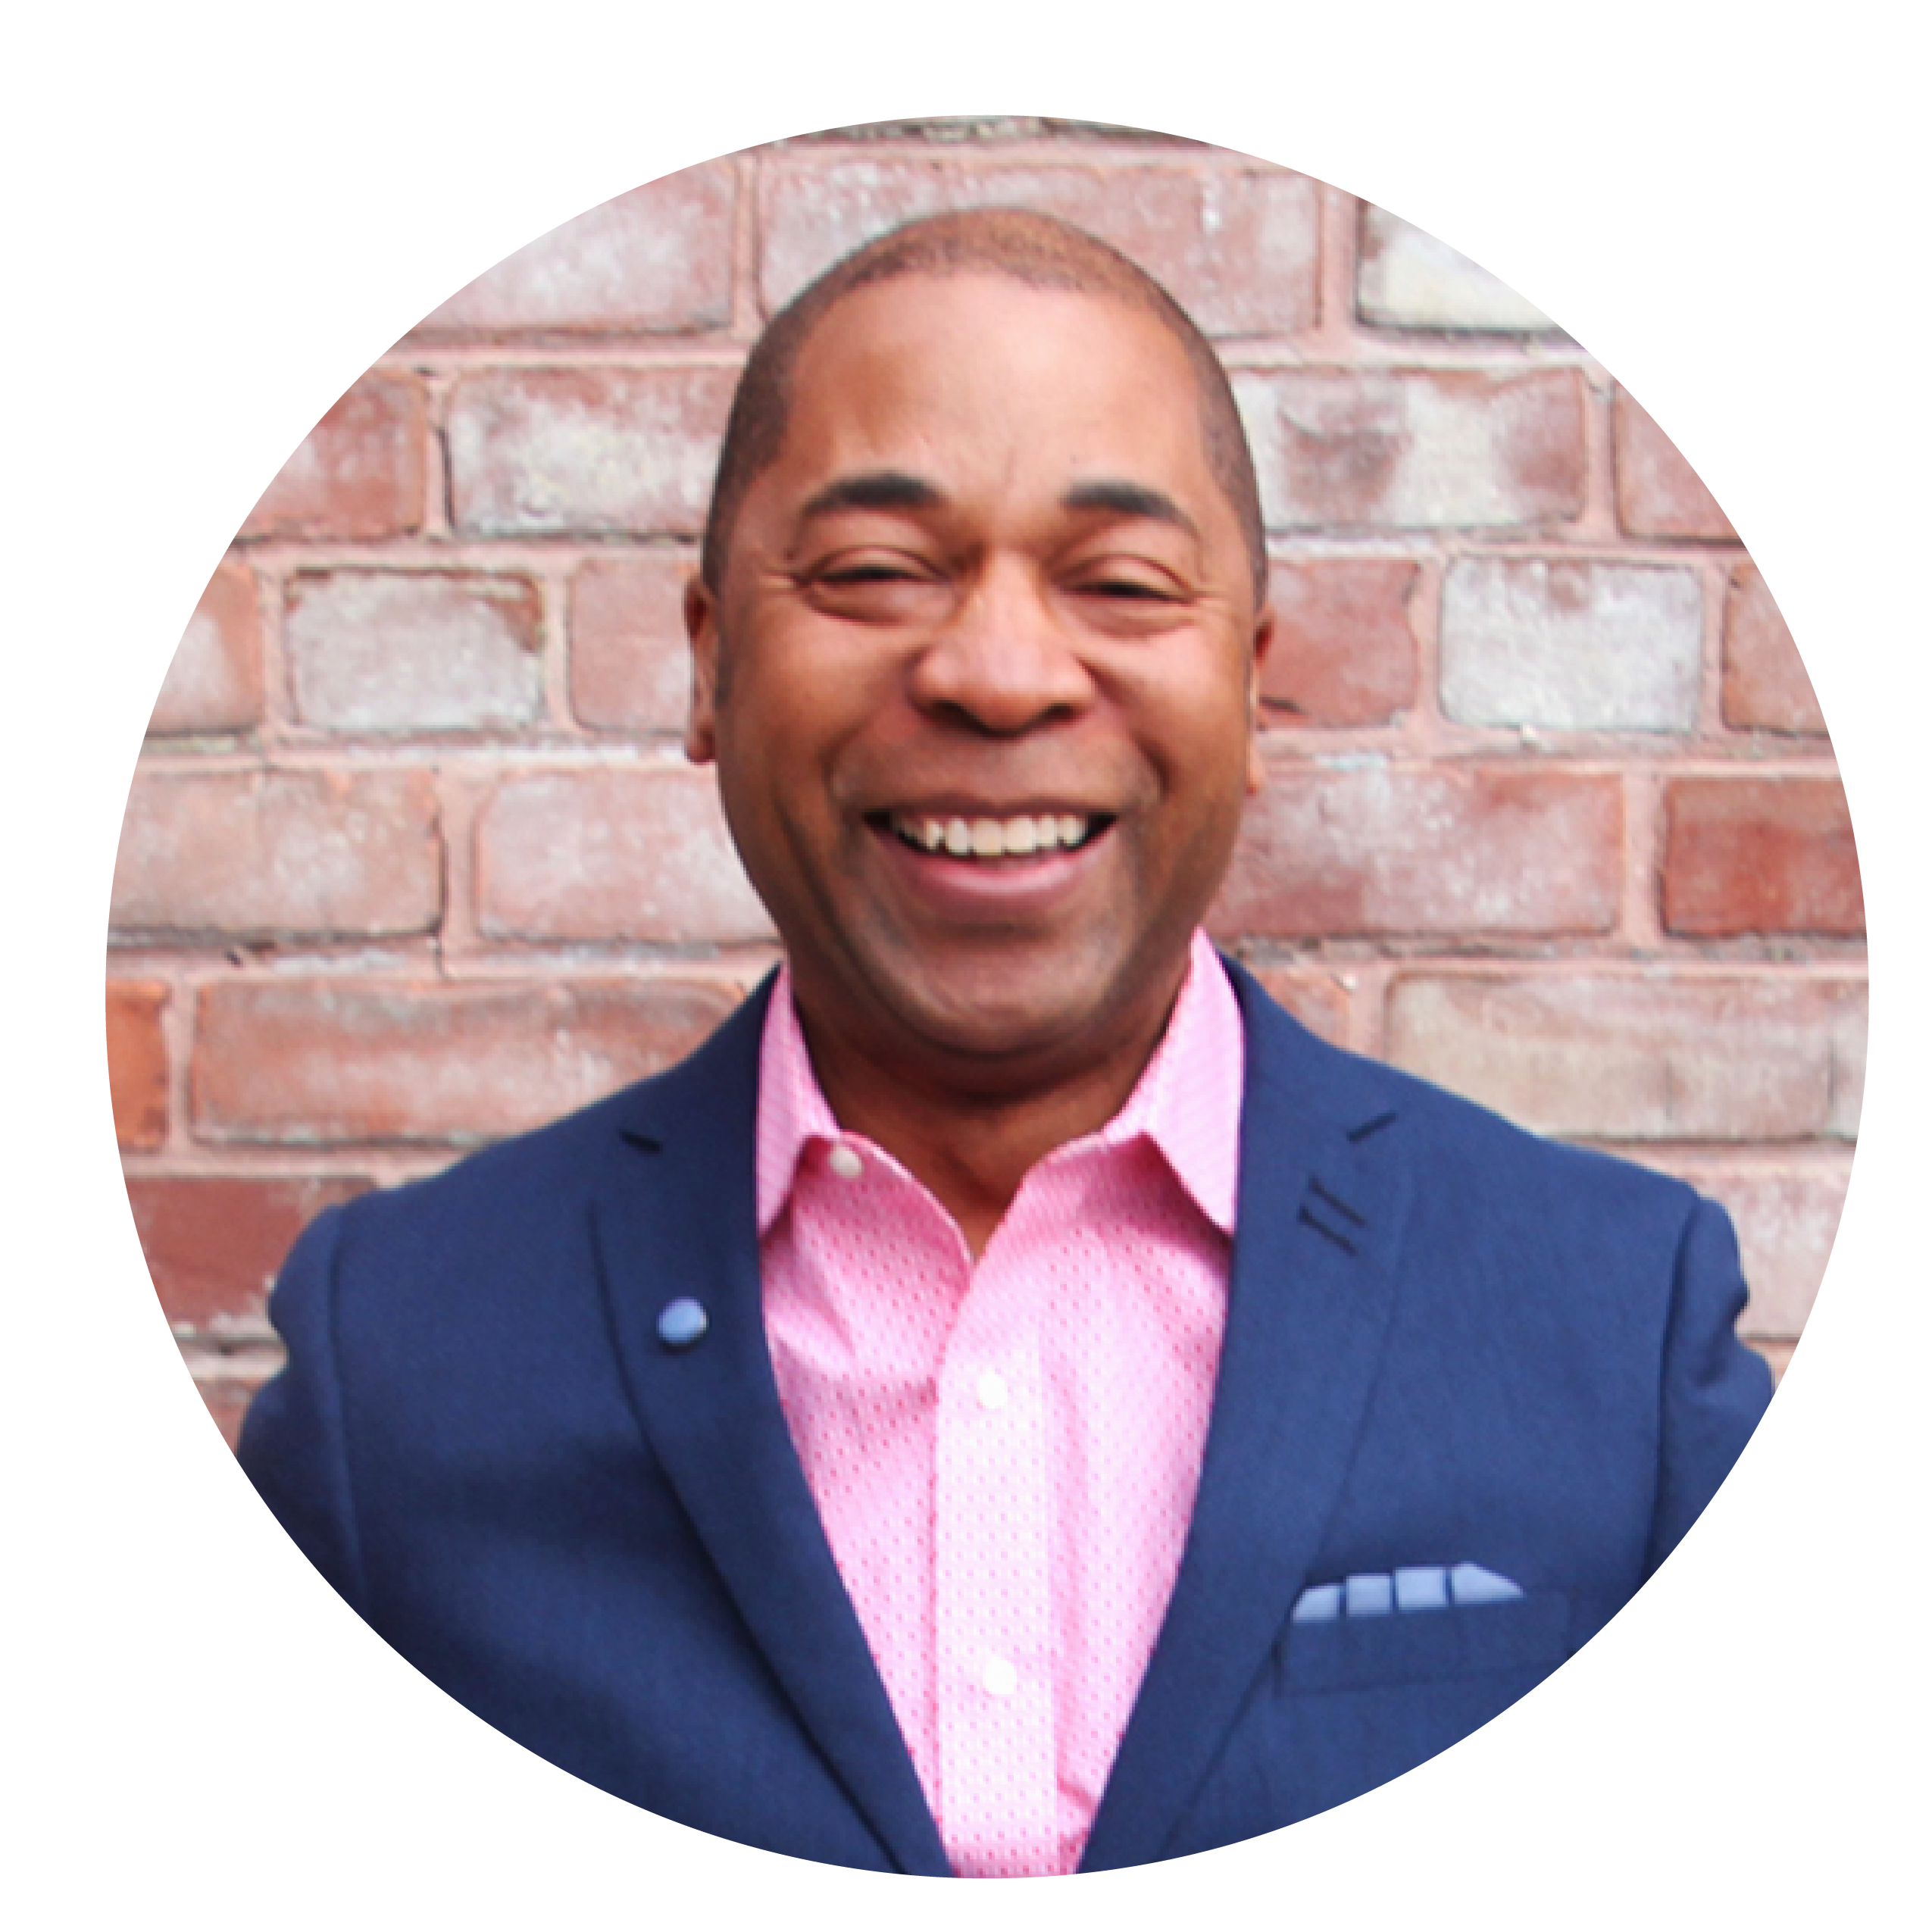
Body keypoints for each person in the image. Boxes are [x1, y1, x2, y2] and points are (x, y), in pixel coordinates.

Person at [239, 209, 1772, 1880]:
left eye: (1118, 583)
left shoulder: (1609, 1333)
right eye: (873, 572)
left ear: (1252, 686)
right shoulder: (402, 1370)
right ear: (709, 663)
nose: (997, 674)